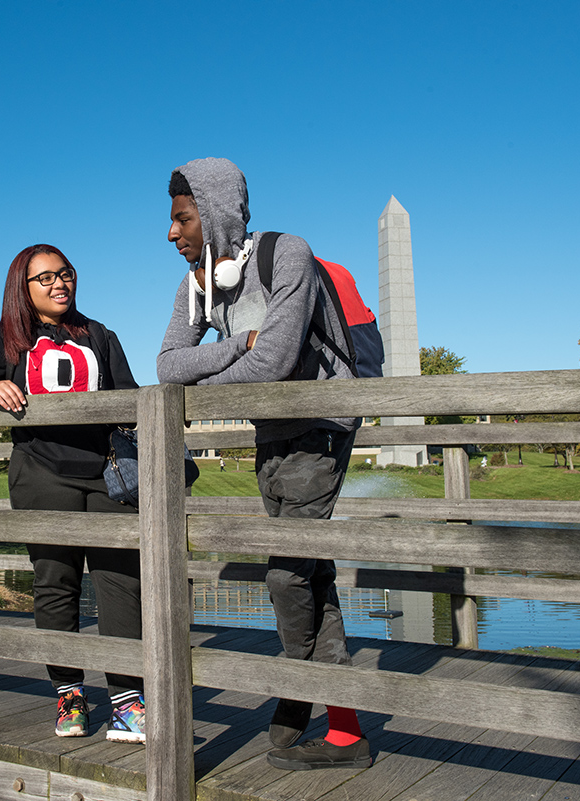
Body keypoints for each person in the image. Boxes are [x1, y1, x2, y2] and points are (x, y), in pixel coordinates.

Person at [156, 158, 372, 771]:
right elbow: (168, 364)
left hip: (321, 427)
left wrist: (221, 375)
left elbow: (276, 362)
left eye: (182, 218)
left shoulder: (288, 255)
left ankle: (297, 699)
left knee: (286, 574)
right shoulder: (198, 284)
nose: (172, 233)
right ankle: (346, 728)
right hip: (271, 432)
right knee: (309, 573)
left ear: (216, 211)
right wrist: (236, 346)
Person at [0, 244, 146, 743]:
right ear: (22, 289)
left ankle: (126, 701)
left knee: (122, 583)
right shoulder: (6, 340)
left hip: (105, 473)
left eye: (65, 274)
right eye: (45, 278)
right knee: (55, 584)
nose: (59, 284)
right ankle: (70, 695)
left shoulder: (100, 335)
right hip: (41, 474)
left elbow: (130, 396)